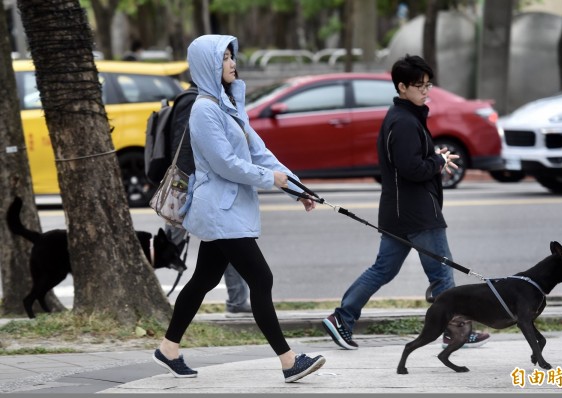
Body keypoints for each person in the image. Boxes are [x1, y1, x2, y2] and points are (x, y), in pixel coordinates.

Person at [152, 34, 326, 383]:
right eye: (225, 58)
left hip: (229, 210)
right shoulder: (203, 110)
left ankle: (168, 348)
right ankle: (289, 361)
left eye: (232, 57)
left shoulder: (228, 105)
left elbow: (260, 153)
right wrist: (272, 179)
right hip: (219, 210)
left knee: (204, 279)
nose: (232, 63)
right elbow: (226, 164)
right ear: (208, 65)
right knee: (261, 277)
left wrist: (297, 188)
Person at [322, 54, 490, 351]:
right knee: (441, 273)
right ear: (402, 87)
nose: (426, 90)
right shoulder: (403, 122)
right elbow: (410, 168)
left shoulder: (405, 118)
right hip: (417, 213)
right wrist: (437, 161)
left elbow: (410, 161)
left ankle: (342, 318)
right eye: (419, 85)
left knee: (383, 270)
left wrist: (434, 158)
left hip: (400, 213)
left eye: (428, 84)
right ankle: (457, 332)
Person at [165, 81, 251, 317]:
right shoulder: (197, 103)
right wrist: (191, 190)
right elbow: (185, 150)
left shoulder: (202, 100)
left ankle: (237, 299)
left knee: (218, 253)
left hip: (197, 188)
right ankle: (142, 288)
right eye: (223, 58)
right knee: (167, 248)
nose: (232, 65)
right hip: (191, 189)